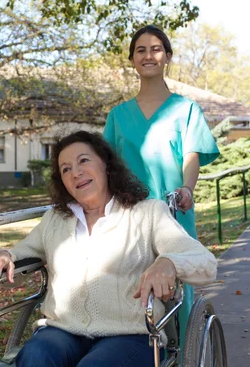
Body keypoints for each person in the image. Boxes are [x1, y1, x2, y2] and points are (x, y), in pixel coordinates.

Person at [0, 131, 217, 367]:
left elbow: (204, 262)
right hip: (62, 331)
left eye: (83, 160)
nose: (76, 173)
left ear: (106, 165)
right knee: (34, 357)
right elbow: (21, 257)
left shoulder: (148, 213)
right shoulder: (55, 220)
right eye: (66, 169)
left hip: (130, 334)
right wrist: (3, 256)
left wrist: (169, 262)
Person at [102, 25, 220, 355]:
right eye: (140, 49)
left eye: (156, 49)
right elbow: (105, 168)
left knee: (176, 295)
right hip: (130, 219)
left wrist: (186, 188)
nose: (148, 55)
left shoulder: (186, 109)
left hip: (173, 213)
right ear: (132, 60)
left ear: (167, 57)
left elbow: (192, 155)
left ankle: (184, 356)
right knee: (131, 292)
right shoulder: (118, 116)